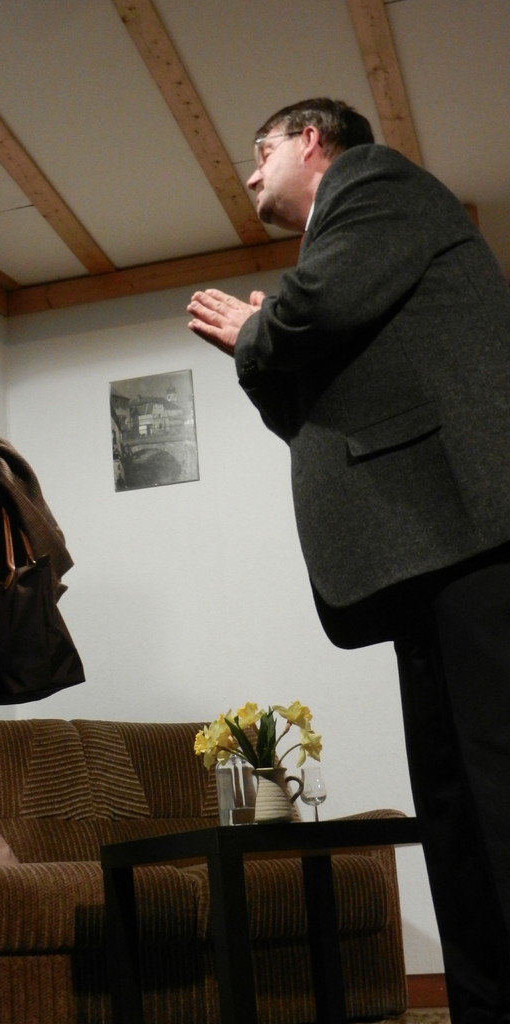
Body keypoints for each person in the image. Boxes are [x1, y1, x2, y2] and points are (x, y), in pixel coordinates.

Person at [188, 98, 510, 1024]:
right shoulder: (338, 249)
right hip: (422, 547)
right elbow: (302, 414)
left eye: (262, 151)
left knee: (496, 784)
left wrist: (259, 331)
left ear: (312, 141)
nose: (253, 174)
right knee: (453, 805)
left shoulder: (375, 183)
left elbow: (315, 308)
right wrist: (263, 342)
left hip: (472, 530)